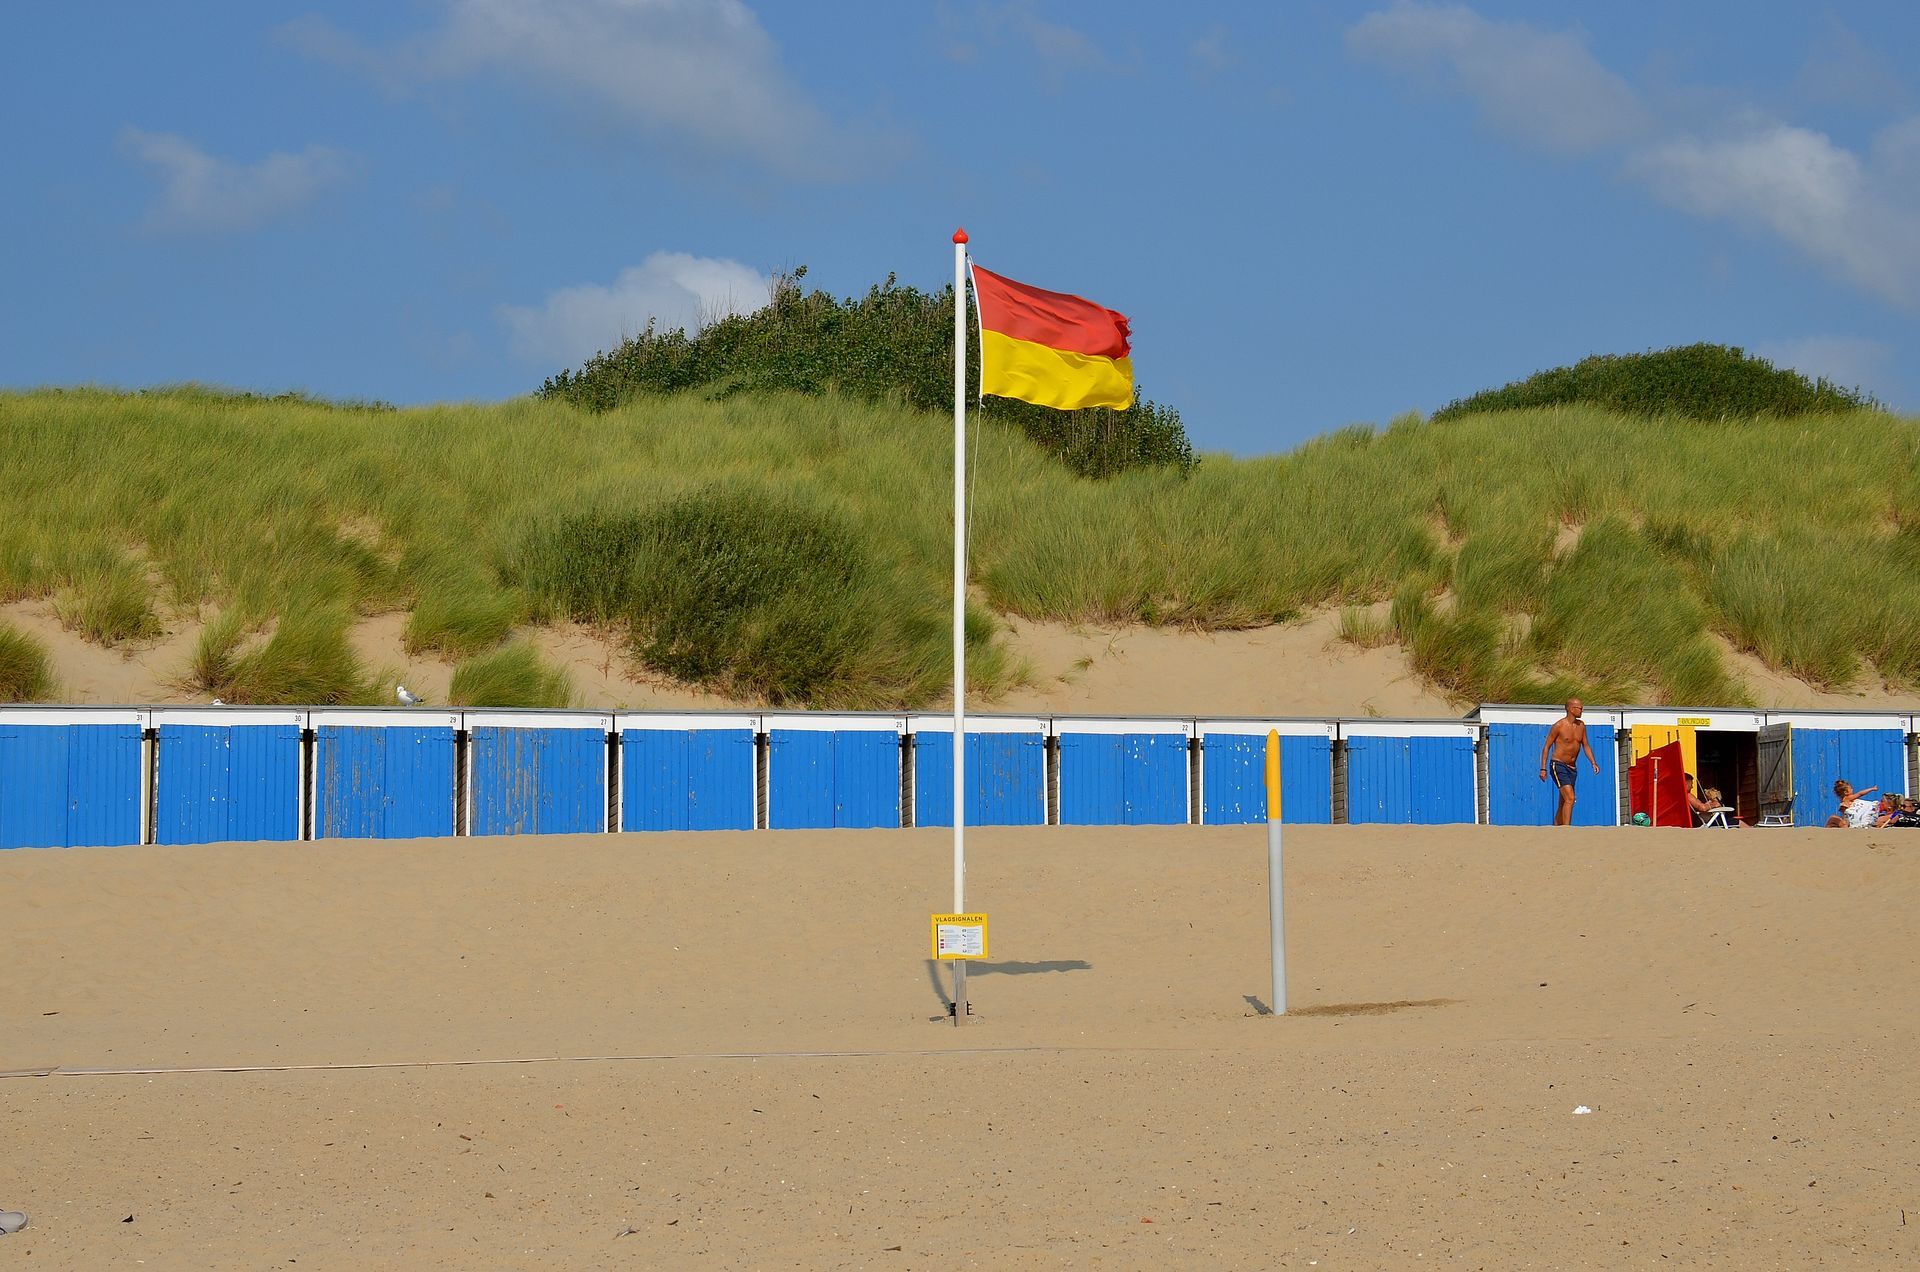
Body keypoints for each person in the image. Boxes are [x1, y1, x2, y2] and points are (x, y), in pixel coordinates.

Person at [1538, 698, 1601, 826]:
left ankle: (1556, 828)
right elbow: (1546, 747)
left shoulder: (1581, 726)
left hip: (1572, 768)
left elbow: (1586, 745)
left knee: (1564, 802)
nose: (1582, 711)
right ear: (1571, 709)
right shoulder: (1559, 726)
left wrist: (1593, 762)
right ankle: (1567, 829)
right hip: (1558, 765)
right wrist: (1543, 768)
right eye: (1580, 708)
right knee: (1570, 798)